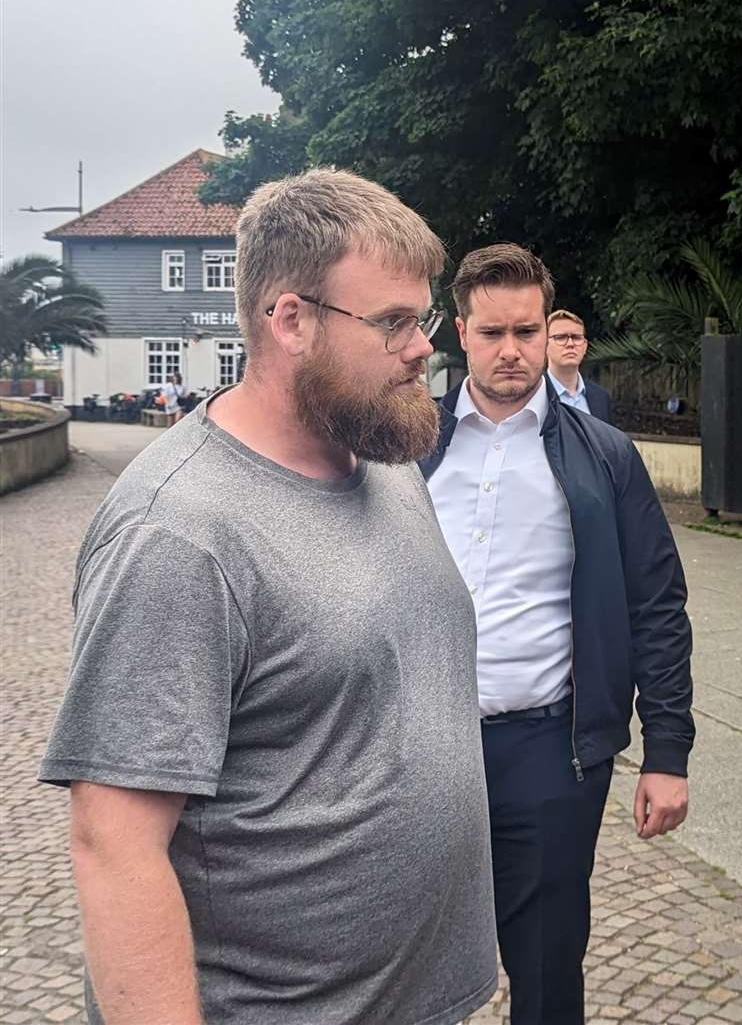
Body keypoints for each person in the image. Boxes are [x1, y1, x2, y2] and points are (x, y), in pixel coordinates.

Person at [38, 169, 497, 1023]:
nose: (424, 346)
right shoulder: (177, 532)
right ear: (290, 321)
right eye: (393, 322)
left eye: (423, 318)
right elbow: (115, 847)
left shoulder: (382, 461)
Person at [421, 243, 694, 1025]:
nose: (512, 350)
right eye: (492, 332)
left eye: (527, 331)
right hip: (418, 748)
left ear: (549, 331)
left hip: (549, 751)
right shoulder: (407, 449)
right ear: (460, 334)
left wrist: (667, 752)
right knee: (402, 956)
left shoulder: (604, 455)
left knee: (545, 967)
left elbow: (657, 606)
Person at [543, 307, 612, 422]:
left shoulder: (601, 398)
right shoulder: (533, 396)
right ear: (544, 345)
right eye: (560, 337)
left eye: (576, 338)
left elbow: (609, 439)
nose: (570, 344)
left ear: (585, 346)